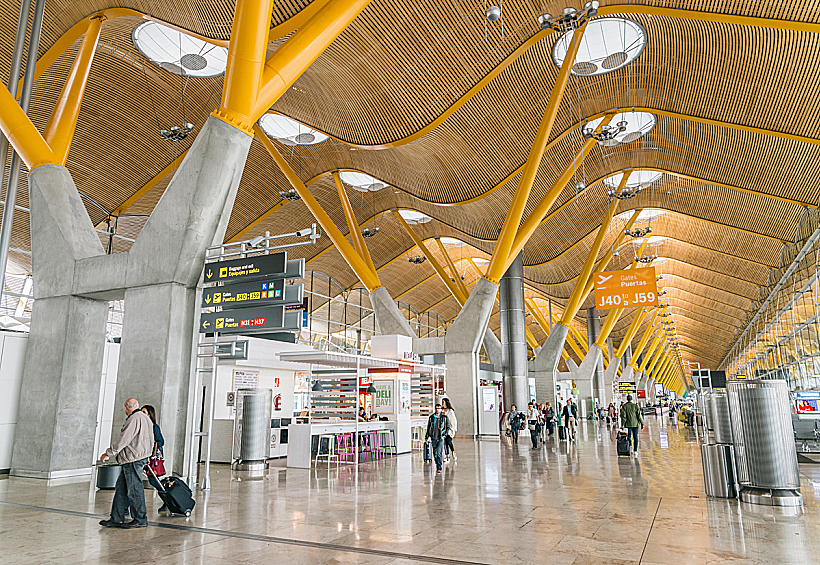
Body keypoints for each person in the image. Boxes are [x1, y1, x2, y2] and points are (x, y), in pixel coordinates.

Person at [99, 398, 154, 529]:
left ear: (125, 408)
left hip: (133, 459)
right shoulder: (146, 418)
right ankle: (116, 518)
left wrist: (108, 453)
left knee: (134, 489)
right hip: (138, 457)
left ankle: (140, 519)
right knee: (121, 488)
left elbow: (124, 439)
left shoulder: (134, 419)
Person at [141, 405, 167, 513]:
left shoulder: (154, 427)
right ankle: (125, 507)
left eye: (144, 412)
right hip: (141, 456)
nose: (142, 414)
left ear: (150, 415)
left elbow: (160, 441)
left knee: (153, 481)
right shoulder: (140, 426)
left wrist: (152, 452)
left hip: (150, 458)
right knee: (133, 480)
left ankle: (168, 500)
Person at [425, 403, 450, 474]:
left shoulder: (444, 418)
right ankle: (437, 464)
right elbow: (429, 427)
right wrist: (427, 436)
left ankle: (439, 466)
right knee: (435, 453)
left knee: (439, 452)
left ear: (441, 409)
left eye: (439, 408)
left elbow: (447, 427)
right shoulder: (431, 418)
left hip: (441, 437)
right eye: (436, 408)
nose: (437, 410)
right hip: (433, 437)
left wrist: (444, 435)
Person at [442, 398, 458, 463]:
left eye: (443, 402)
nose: (442, 403)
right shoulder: (442, 410)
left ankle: (453, 452)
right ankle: (447, 456)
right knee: (445, 443)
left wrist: (452, 430)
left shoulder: (450, 411)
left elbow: (453, 421)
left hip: (449, 430)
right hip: (443, 430)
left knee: (449, 442)